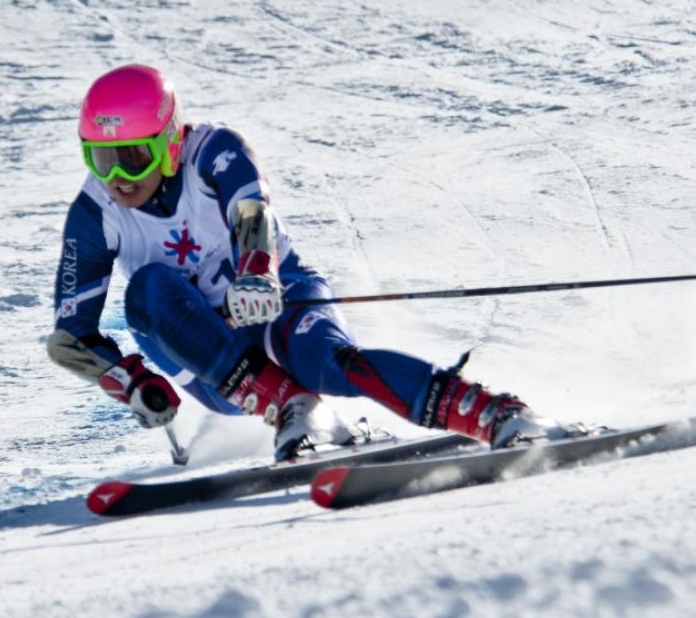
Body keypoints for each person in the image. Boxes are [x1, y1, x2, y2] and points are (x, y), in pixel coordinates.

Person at [47, 63, 557, 461]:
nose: (119, 178)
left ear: (170, 141)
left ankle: (494, 414)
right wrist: (131, 381)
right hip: (208, 361)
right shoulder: (95, 212)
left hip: (275, 303)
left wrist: (256, 270)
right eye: (101, 159)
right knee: (147, 290)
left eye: (133, 158)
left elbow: (251, 209)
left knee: (327, 362)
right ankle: (293, 407)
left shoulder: (214, 152)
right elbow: (71, 336)